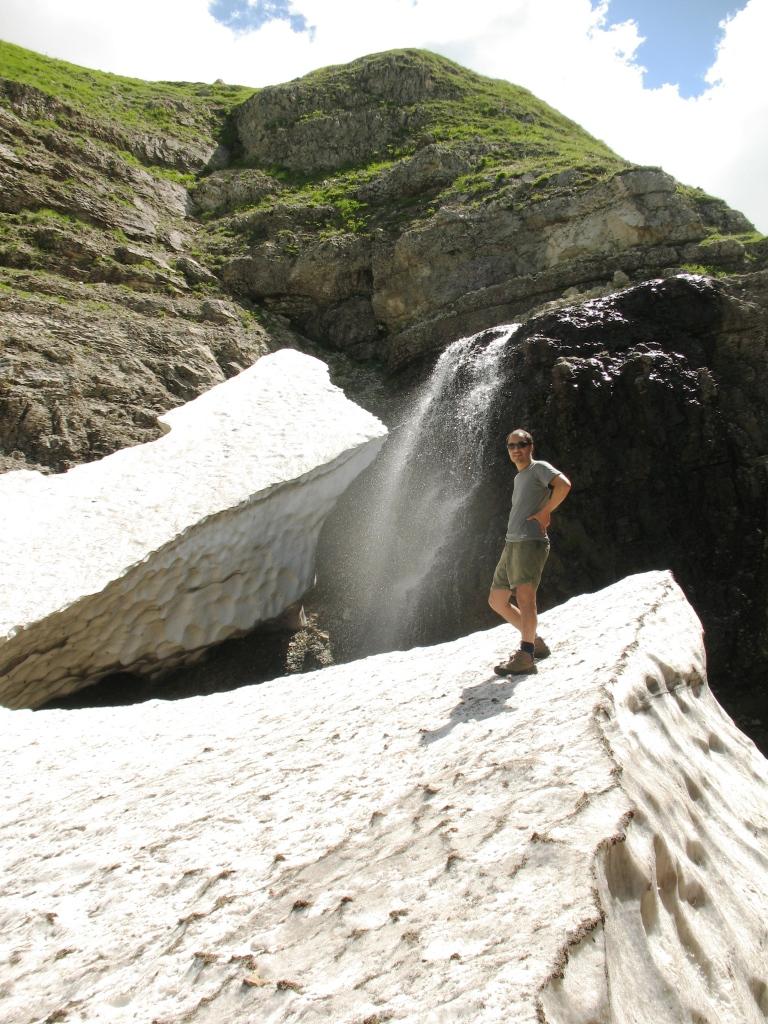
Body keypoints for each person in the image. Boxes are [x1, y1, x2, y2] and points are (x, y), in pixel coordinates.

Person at [488, 428, 571, 675]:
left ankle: (526, 655)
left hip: (529, 542)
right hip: (513, 543)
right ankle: (534, 641)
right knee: (497, 600)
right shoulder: (520, 476)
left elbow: (564, 485)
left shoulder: (538, 468)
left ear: (530, 446)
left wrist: (546, 511)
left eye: (521, 444)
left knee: (525, 599)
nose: (516, 450)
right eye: (511, 446)